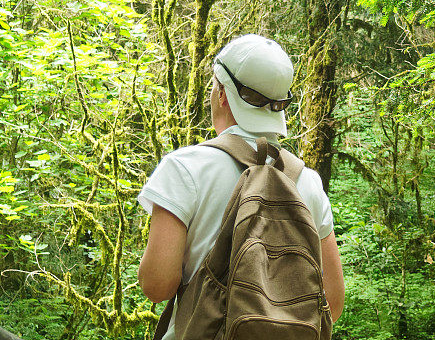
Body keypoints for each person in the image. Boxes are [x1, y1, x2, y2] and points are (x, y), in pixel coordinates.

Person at [137, 34, 345, 338]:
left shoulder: (184, 168)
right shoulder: (307, 180)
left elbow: (157, 287)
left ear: (222, 94)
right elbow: (332, 304)